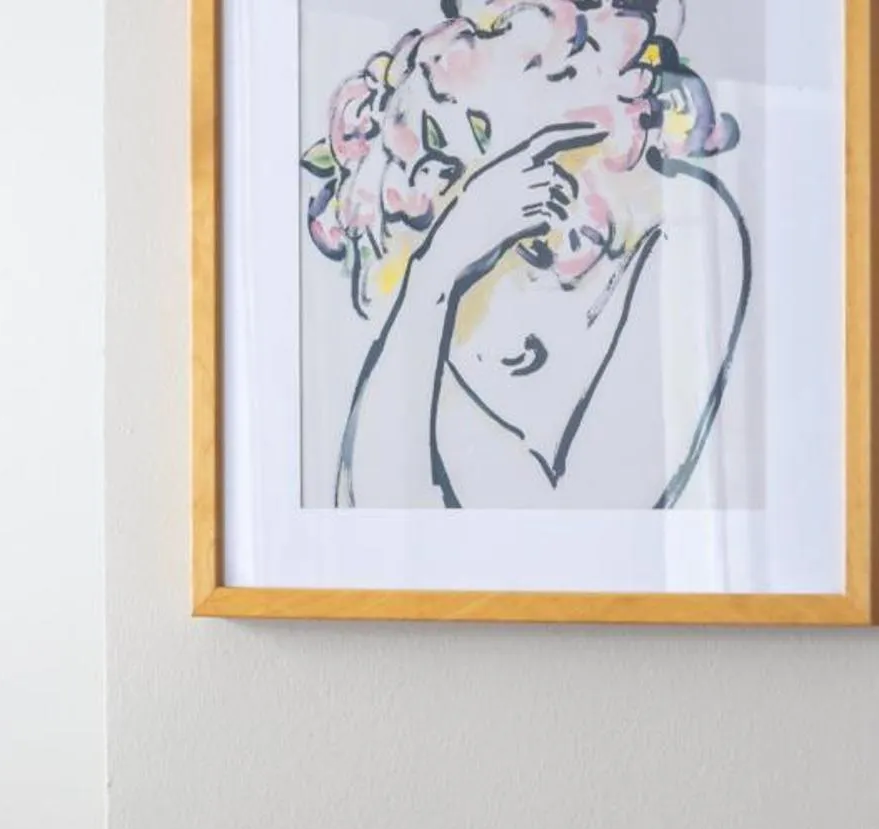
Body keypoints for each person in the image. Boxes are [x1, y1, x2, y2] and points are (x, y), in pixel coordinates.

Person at [304, 0, 750, 509]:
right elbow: (369, 516)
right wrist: (447, 258)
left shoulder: (680, 229)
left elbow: (596, 525)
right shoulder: (441, 275)